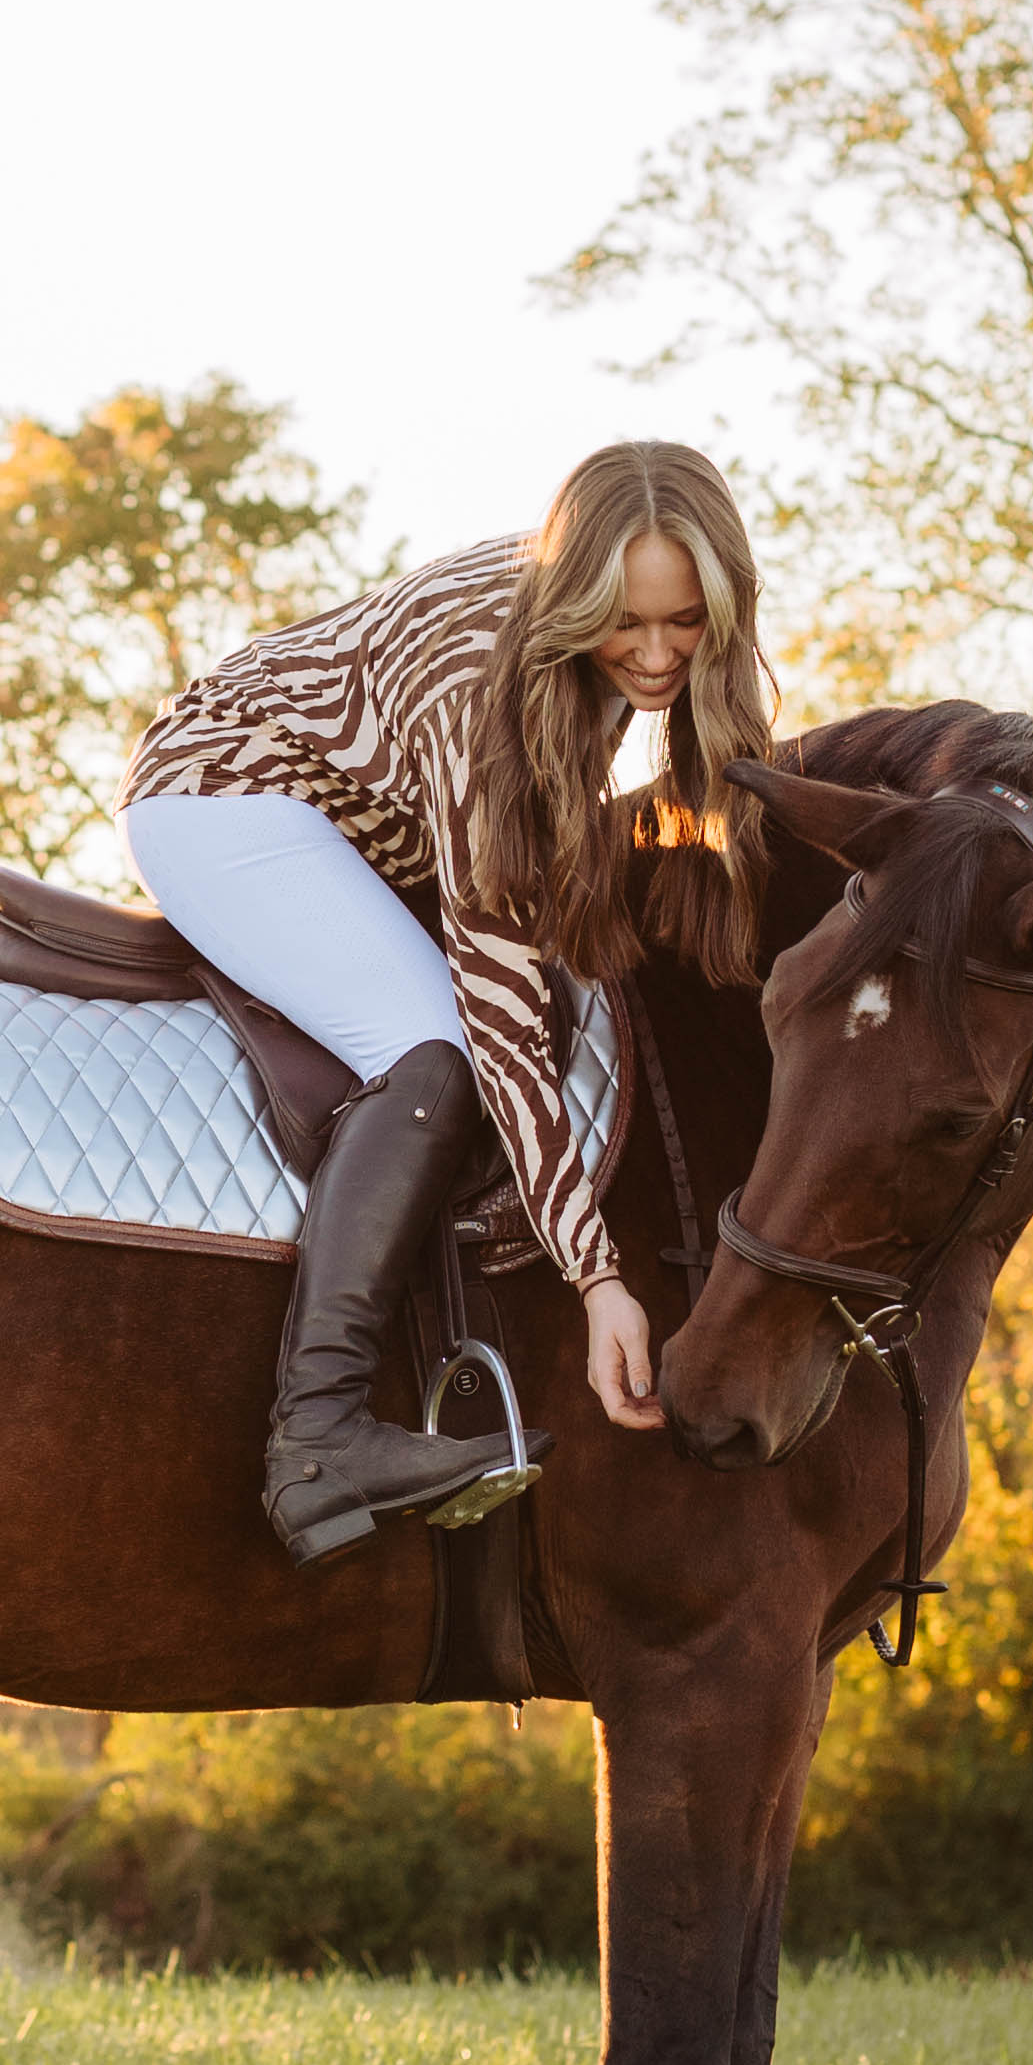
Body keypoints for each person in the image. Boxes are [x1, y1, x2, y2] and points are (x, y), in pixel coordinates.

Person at [123, 440, 774, 1563]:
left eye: (688, 624)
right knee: (441, 1050)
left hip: (369, 831)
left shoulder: (631, 666)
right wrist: (600, 1279)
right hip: (228, 797)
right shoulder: (485, 687)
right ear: (575, 599)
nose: (660, 657)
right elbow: (503, 1021)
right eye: (630, 623)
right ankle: (318, 1432)